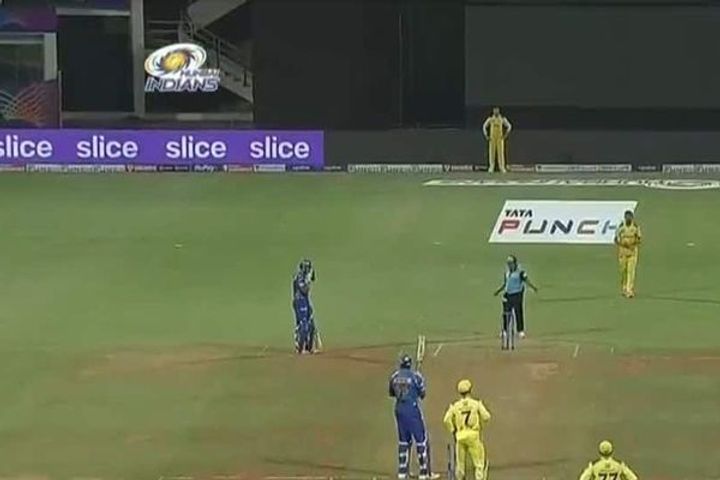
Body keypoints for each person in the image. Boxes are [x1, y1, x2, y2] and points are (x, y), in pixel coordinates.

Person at [388, 355, 438, 480]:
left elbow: (391, 393)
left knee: (403, 441)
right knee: (421, 440)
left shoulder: (394, 376)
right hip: (412, 410)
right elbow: (422, 394)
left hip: (399, 409)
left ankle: (402, 472)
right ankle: (423, 472)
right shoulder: (416, 377)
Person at [443, 379, 491, 480]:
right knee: (479, 463)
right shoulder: (476, 403)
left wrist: (453, 430)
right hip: (473, 435)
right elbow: (486, 417)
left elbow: (446, 419)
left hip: (460, 435)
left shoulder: (455, 406)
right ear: (470, 390)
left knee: (460, 464)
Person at [493, 255, 537, 338]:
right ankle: (505, 330)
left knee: (518, 312)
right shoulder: (507, 273)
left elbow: (526, 281)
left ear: (514, 263)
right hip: (508, 295)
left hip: (517, 294)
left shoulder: (520, 272)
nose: (509, 265)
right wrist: (498, 291)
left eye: (510, 263)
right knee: (506, 313)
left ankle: (520, 331)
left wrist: (533, 287)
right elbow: (505, 284)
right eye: (508, 263)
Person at [614, 210, 642, 298]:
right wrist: (622, 244)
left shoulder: (635, 227)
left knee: (631, 271)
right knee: (623, 271)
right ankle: (624, 287)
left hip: (632, 252)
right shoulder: (621, 226)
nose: (628, 219)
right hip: (623, 252)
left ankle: (629, 290)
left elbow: (639, 239)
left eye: (630, 217)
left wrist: (632, 244)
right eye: (627, 217)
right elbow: (615, 239)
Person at [292, 259, 316, 354]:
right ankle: (300, 347)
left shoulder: (304, 276)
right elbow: (304, 290)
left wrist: (310, 276)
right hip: (299, 301)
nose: (309, 270)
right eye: (308, 268)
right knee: (304, 325)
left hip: (305, 300)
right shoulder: (299, 277)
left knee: (311, 324)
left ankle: (309, 347)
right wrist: (308, 281)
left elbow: (314, 278)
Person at [482, 107, 512, 173]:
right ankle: (491, 167)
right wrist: (486, 135)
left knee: (501, 153)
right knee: (491, 153)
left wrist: (506, 134)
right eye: (494, 110)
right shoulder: (490, 119)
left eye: (497, 110)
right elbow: (484, 126)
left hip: (500, 138)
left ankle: (502, 167)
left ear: (499, 110)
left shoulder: (502, 119)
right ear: (493, 111)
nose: (496, 111)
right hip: (492, 138)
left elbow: (509, 126)